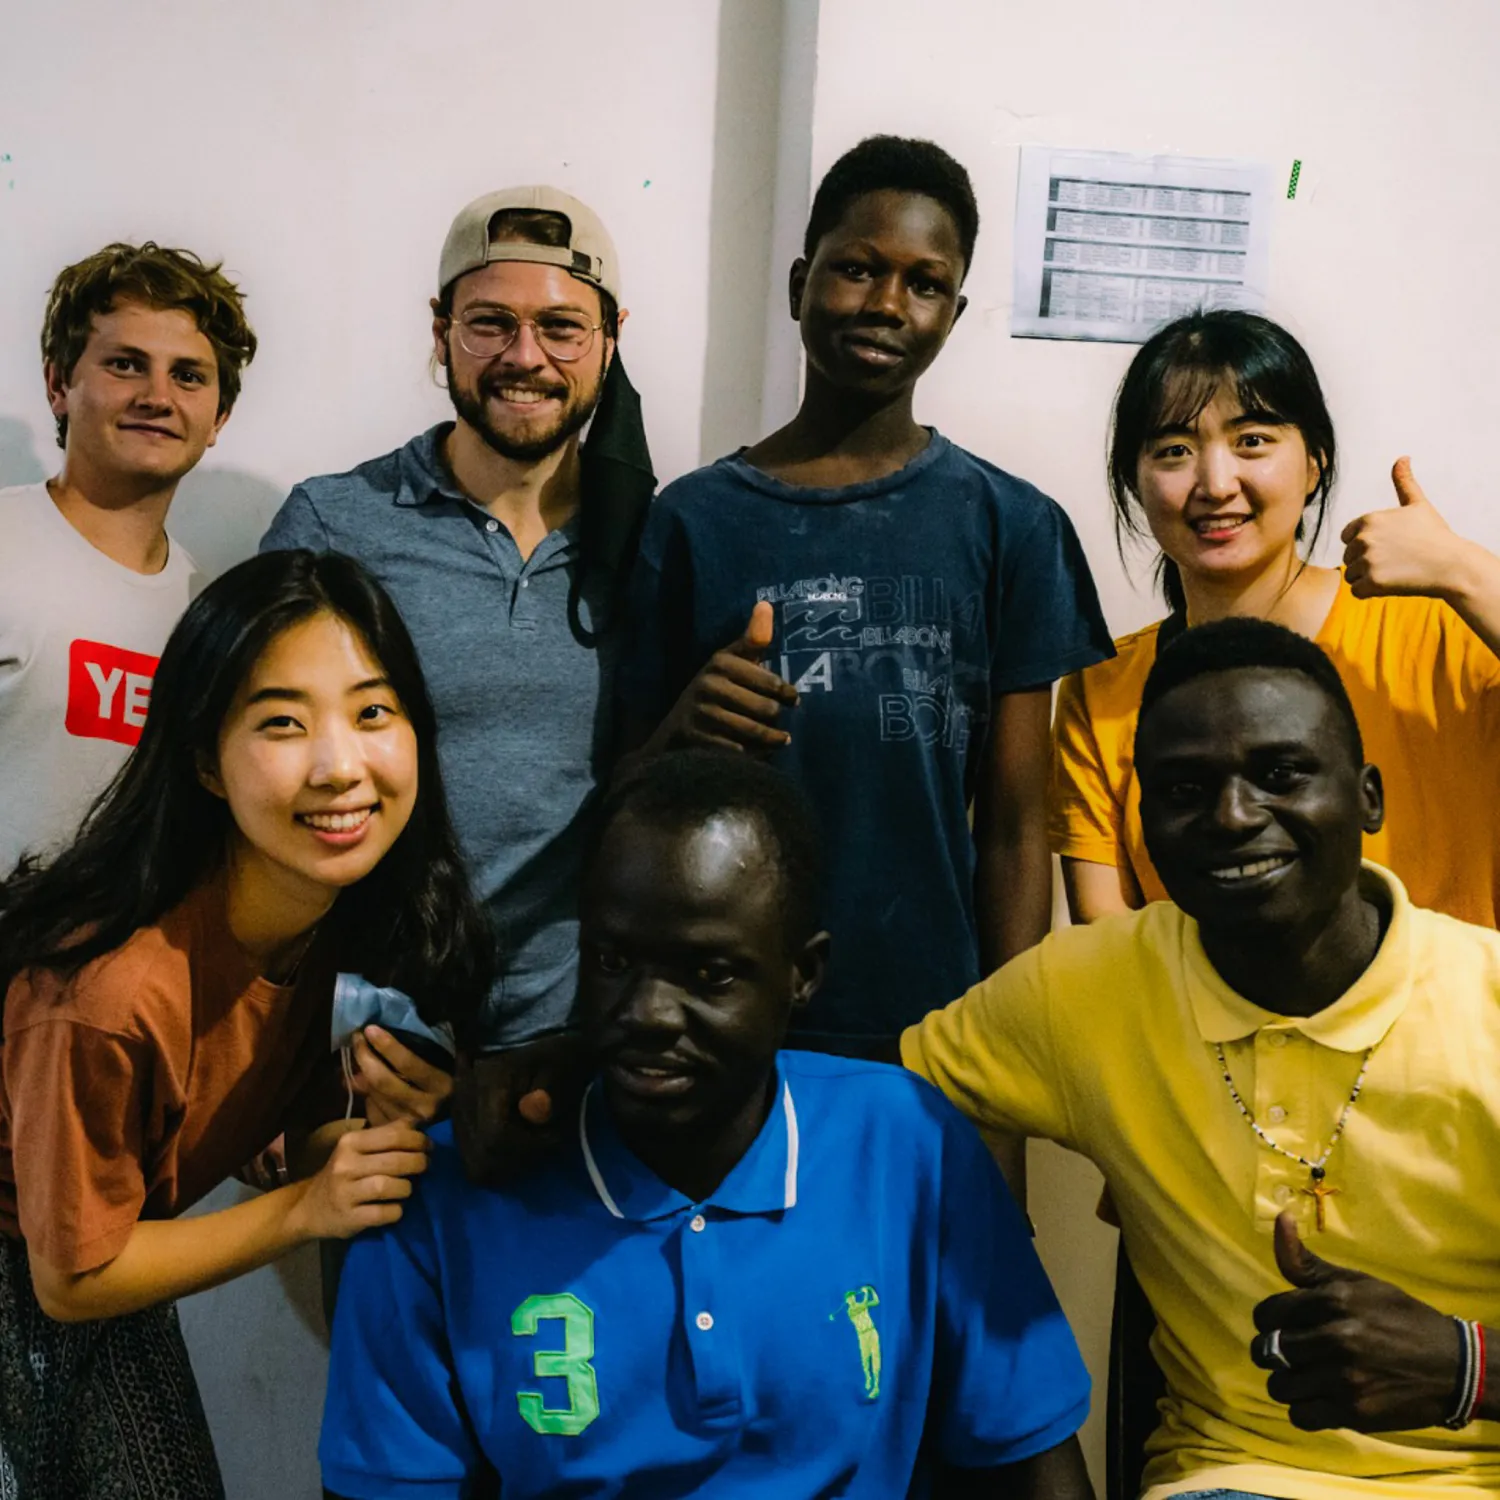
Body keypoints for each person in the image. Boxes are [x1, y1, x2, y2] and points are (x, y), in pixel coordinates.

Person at [320, 750, 1095, 1500]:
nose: (649, 1014)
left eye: (709, 974)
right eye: (615, 961)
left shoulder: (904, 1146)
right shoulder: (443, 1200)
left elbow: (1029, 1461)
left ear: (803, 975)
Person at [906, 618, 1500, 1499]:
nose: (1231, 816)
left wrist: (1467, 1367)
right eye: (1185, 787)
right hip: (1237, 1475)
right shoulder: (1086, 991)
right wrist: (994, 1295)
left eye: (1280, 774)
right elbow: (881, 1112)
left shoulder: (1487, 998)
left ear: (1369, 797)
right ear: (1145, 821)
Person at [0, 550, 493, 1496]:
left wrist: (392, 1130)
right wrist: (311, 1206)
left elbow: (307, 1133)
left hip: (102, 1248)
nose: (339, 765)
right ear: (204, 762)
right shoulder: (107, 993)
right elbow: (70, 1279)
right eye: (281, 723)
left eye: (373, 711)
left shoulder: (338, 916)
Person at [620, 136, 1111, 1066]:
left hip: (927, 1022)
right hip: (714, 1026)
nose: (886, 304)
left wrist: (1006, 1046)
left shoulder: (1011, 525)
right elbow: (618, 797)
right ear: (800, 282)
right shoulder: (691, 521)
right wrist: (684, 731)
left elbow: (1012, 828)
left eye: (924, 284)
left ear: (954, 313)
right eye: (855, 269)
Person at [261, 187, 655, 1170]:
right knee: (389, 1323)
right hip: (376, 1051)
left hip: (581, 1060)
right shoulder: (337, 524)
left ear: (610, 340)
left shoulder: (657, 540)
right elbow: (245, 795)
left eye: (561, 326)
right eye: (490, 323)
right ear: (441, 334)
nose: (525, 356)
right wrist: (262, 1051)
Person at [1051, 308, 1500, 928]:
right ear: (1135, 480)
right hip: (1201, 1024)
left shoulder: (1437, 628)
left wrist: (1467, 572)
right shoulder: (1101, 687)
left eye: (1252, 441)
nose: (1215, 482)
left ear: (1314, 463)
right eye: (1175, 450)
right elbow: (1108, 937)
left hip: (1441, 1021)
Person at [0, 241, 258, 875]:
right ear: (59, 384)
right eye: (125, 364)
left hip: (126, 966)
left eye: (189, 375)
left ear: (219, 415)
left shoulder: (211, 611)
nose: (157, 395)